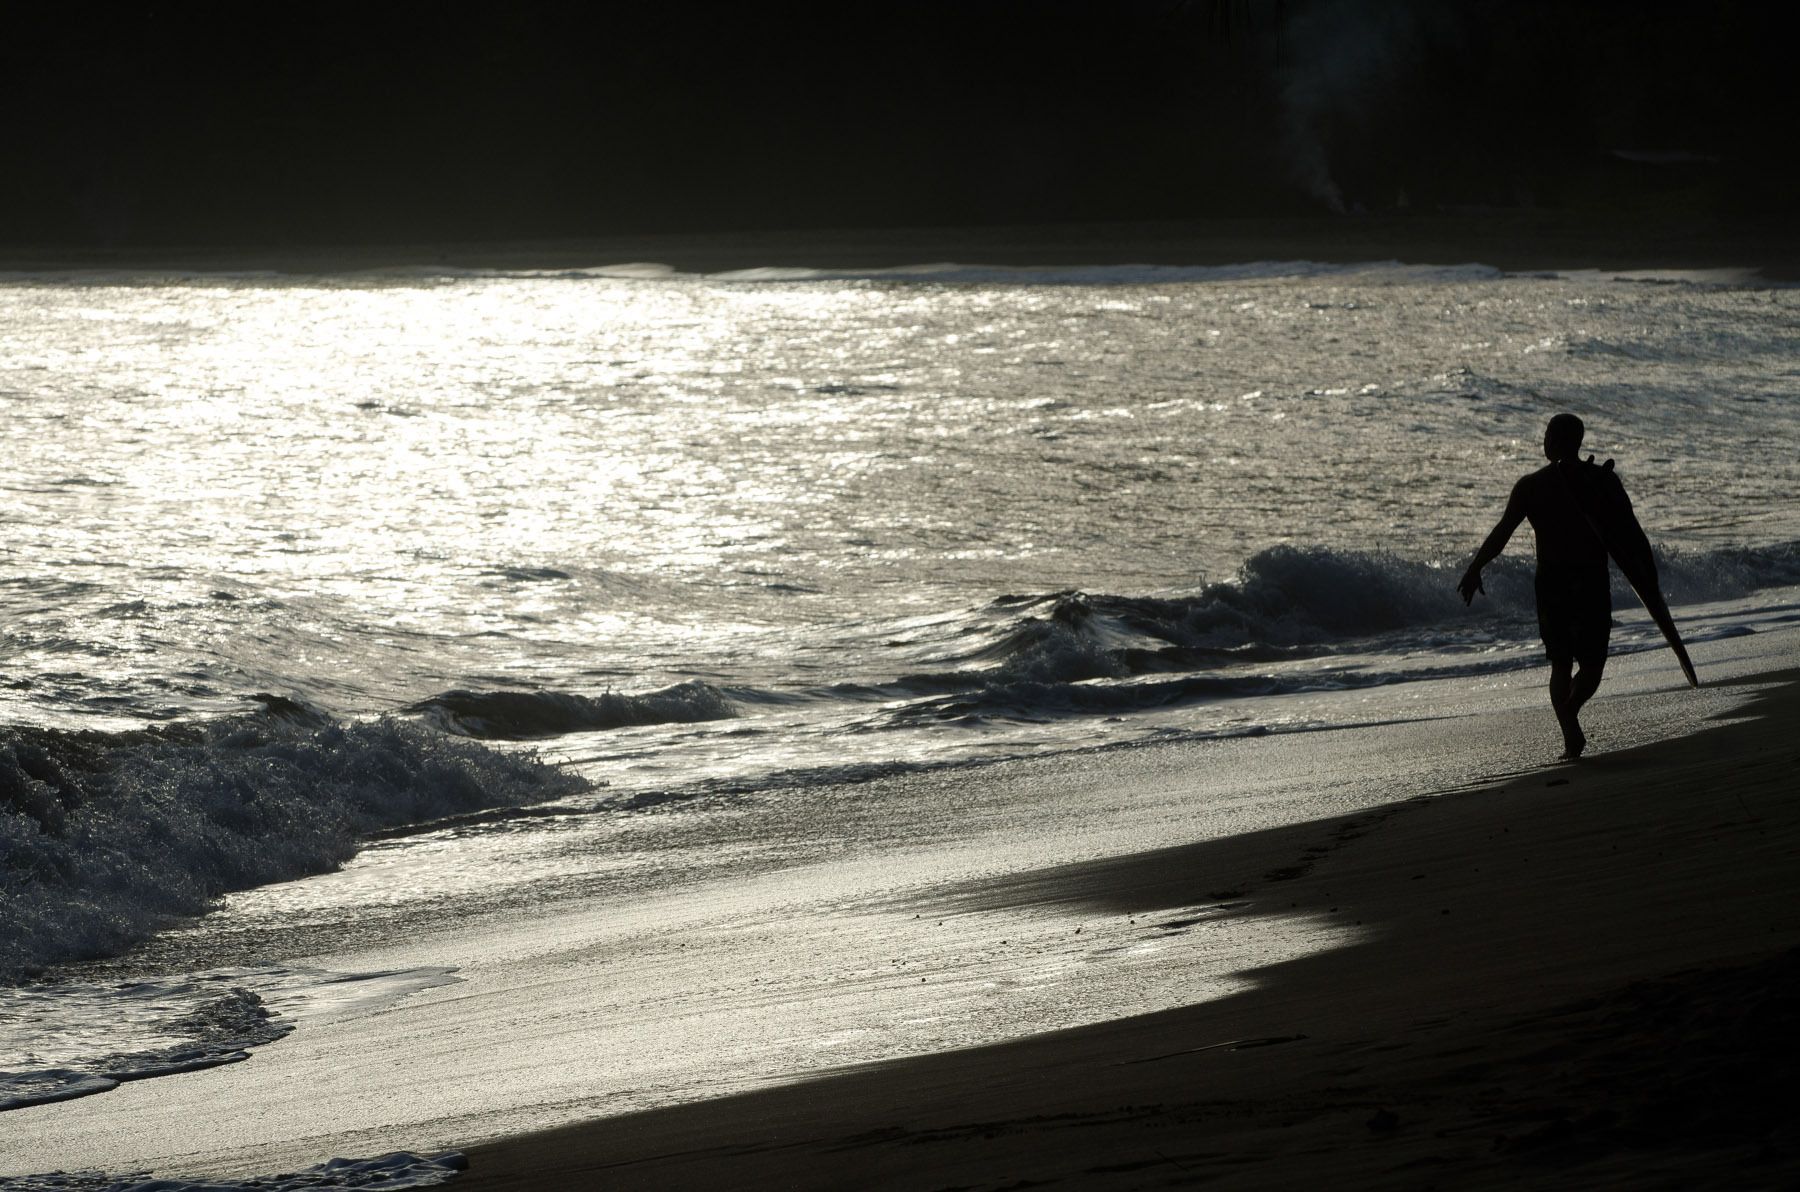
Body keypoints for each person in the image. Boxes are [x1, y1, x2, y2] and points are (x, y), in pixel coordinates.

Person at [1458, 413, 1617, 759]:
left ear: (1556, 441)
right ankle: (1570, 717)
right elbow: (1624, 534)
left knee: (1561, 663)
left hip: (1553, 583)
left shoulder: (1531, 486)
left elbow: (1502, 533)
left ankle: (1568, 723)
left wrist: (1476, 567)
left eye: (1547, 434)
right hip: (1590, 580)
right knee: (1593, 664)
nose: (1543, 440)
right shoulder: (1599, 480)